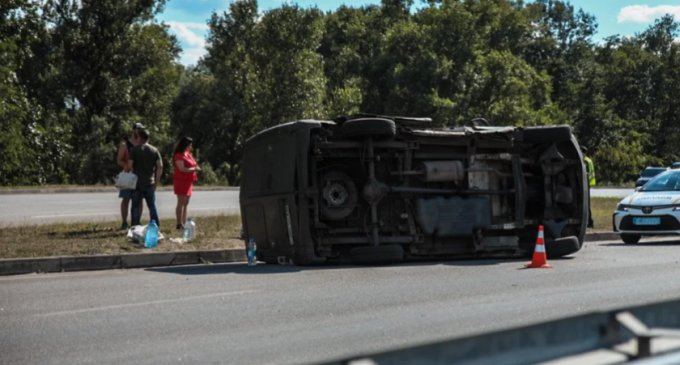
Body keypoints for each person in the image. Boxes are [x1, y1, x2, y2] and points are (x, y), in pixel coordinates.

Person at [126, 128, 163, 227]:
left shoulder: (134, 150)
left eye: (137, 136)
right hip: (150, 182)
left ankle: (135, 225)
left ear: (141, 138)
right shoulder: (154, 150)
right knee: (151, 205)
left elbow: (129, 166)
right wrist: (156, 183)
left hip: (137, 183)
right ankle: (155, 224)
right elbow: (160, 166)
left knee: (135, 206)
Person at [116, 123, 144, 230]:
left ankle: (137, 221)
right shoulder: (125, 145)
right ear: (133, 131)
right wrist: (128, 166)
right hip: (128, 176)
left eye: (141, 130)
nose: (139, 132)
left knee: (139, 199)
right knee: (126, 199)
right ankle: (124, 222)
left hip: (140, 176)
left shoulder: (143, 144)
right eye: (137, 129)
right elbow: (119, 160)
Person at [172, 136, 201, 230]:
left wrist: (195, 169)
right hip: (181, 180)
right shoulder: (178, 155)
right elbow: (182, 169)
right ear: (185, 145)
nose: (191, 146)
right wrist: (194, 169)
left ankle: (185, 222)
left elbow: (193, 164)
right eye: (190, 144)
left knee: (186, 202)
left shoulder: (188, 154)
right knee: (181, 202)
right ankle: (179, 224)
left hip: (189, 180)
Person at [582, 146, 596, 228]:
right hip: (588, 184)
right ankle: (590, 222)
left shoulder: (585, 161)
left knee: (585, 204)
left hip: (586, 184)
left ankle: (589, 222)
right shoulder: (588, 160)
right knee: (587, 204)